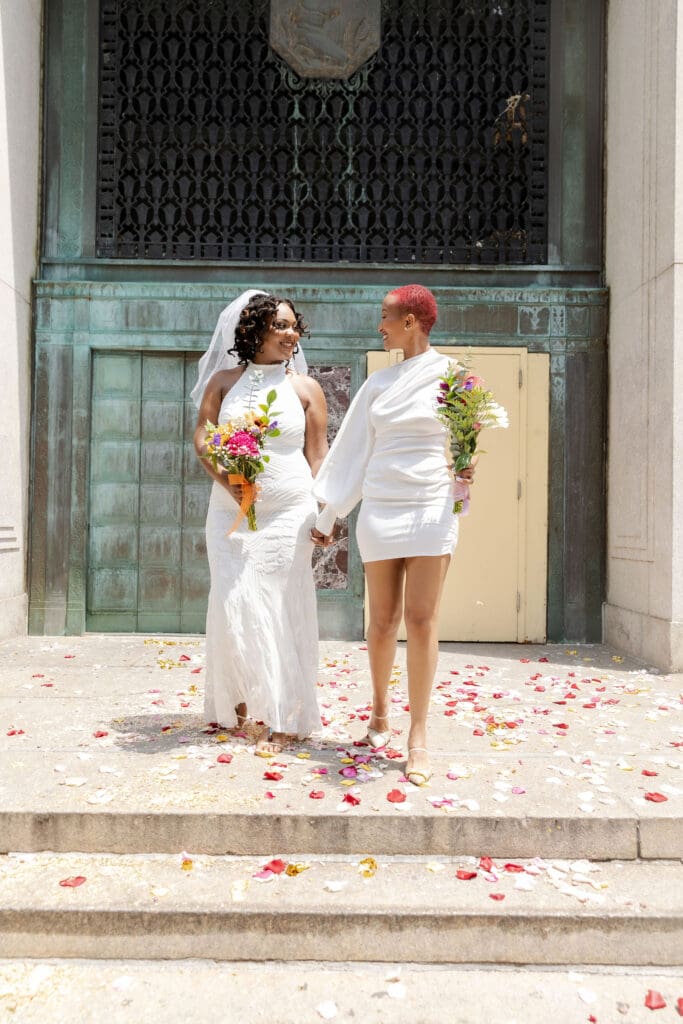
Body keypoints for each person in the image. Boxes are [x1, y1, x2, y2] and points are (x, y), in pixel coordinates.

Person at [310, 285, 475, 786]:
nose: (379, 326)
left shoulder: (455, 377)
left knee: (422, 620)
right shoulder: (378, 385)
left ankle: (418, 734)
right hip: (381, 506)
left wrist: (461, 496)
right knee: (382, 621)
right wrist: (328, 516)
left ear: (411, 320)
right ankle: (379, 710)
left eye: (385, 317)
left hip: (430, 506)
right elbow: (354, 451)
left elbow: (468, 449)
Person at [192, 290, 328, 754]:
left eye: (294, 327)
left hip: (289, 511)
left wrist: (327, 512)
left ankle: (285, 714)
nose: (292, 334)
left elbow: (319, 456)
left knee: (276, 604)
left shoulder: (306, 389)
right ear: (255, 331)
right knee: (234, 602)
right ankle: (246, 705)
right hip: (229, 510)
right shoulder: (223, 383)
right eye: (281, 326)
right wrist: (227, 480)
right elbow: (204, 439)